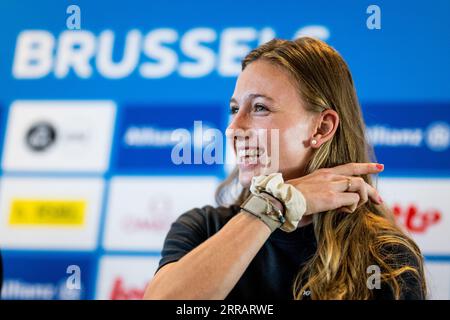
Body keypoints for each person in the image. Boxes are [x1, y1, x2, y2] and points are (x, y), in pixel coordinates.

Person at [143, 37, 426, 300]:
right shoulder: (203, 227)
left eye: (260, 108)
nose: (233, 129)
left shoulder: (384, 256)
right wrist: (274, 204)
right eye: (234, 109)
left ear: (322, 127)